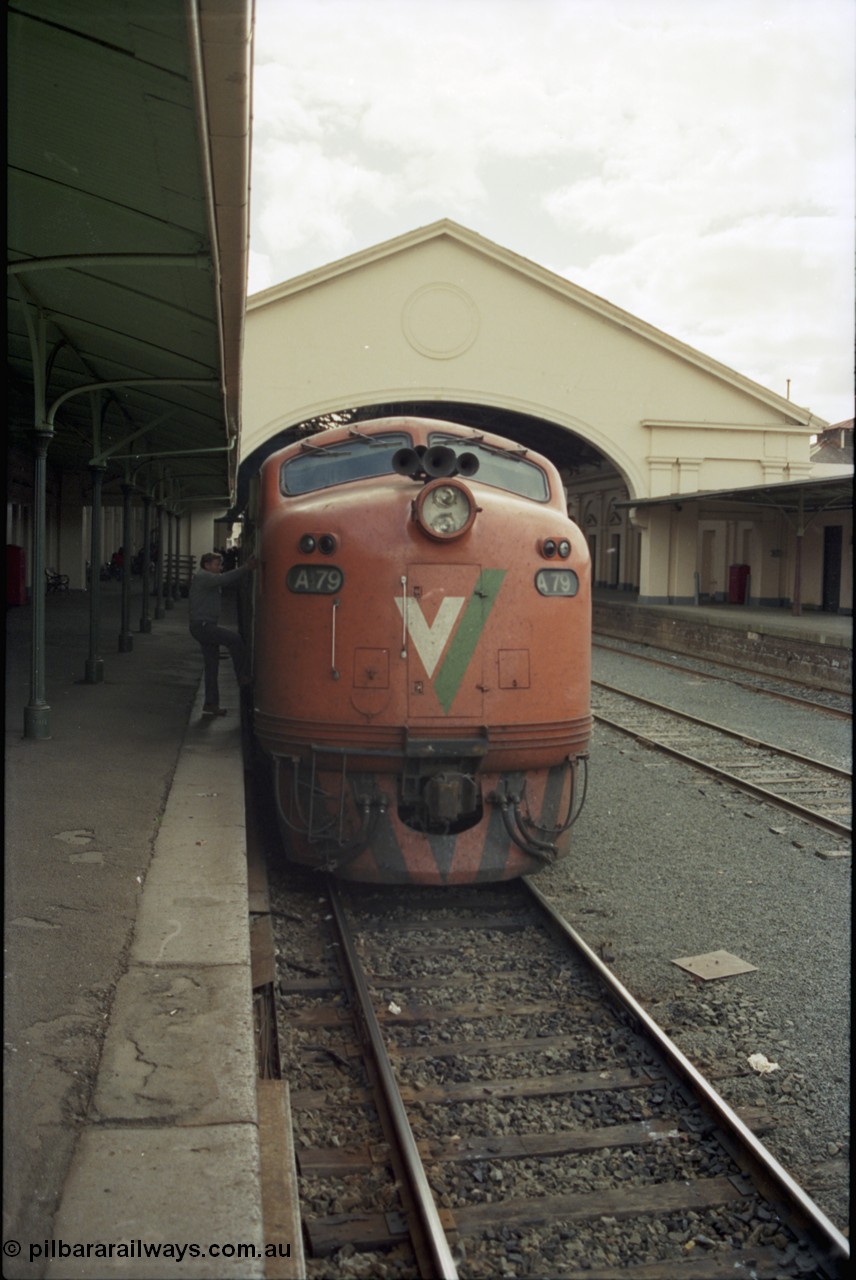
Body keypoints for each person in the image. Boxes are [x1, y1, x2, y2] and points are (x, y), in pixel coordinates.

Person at [188, 551, 258, 716]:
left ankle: (211, 703)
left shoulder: (207, 579)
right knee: (234, 640)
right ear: (207, 565)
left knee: (212, 666)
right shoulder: (204, 577)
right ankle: (242, 676)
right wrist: (246, 568)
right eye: (216, 564)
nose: (219, 568)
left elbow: (226, 580)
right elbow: (223, 579)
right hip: (203, 626)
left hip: (203, 626)